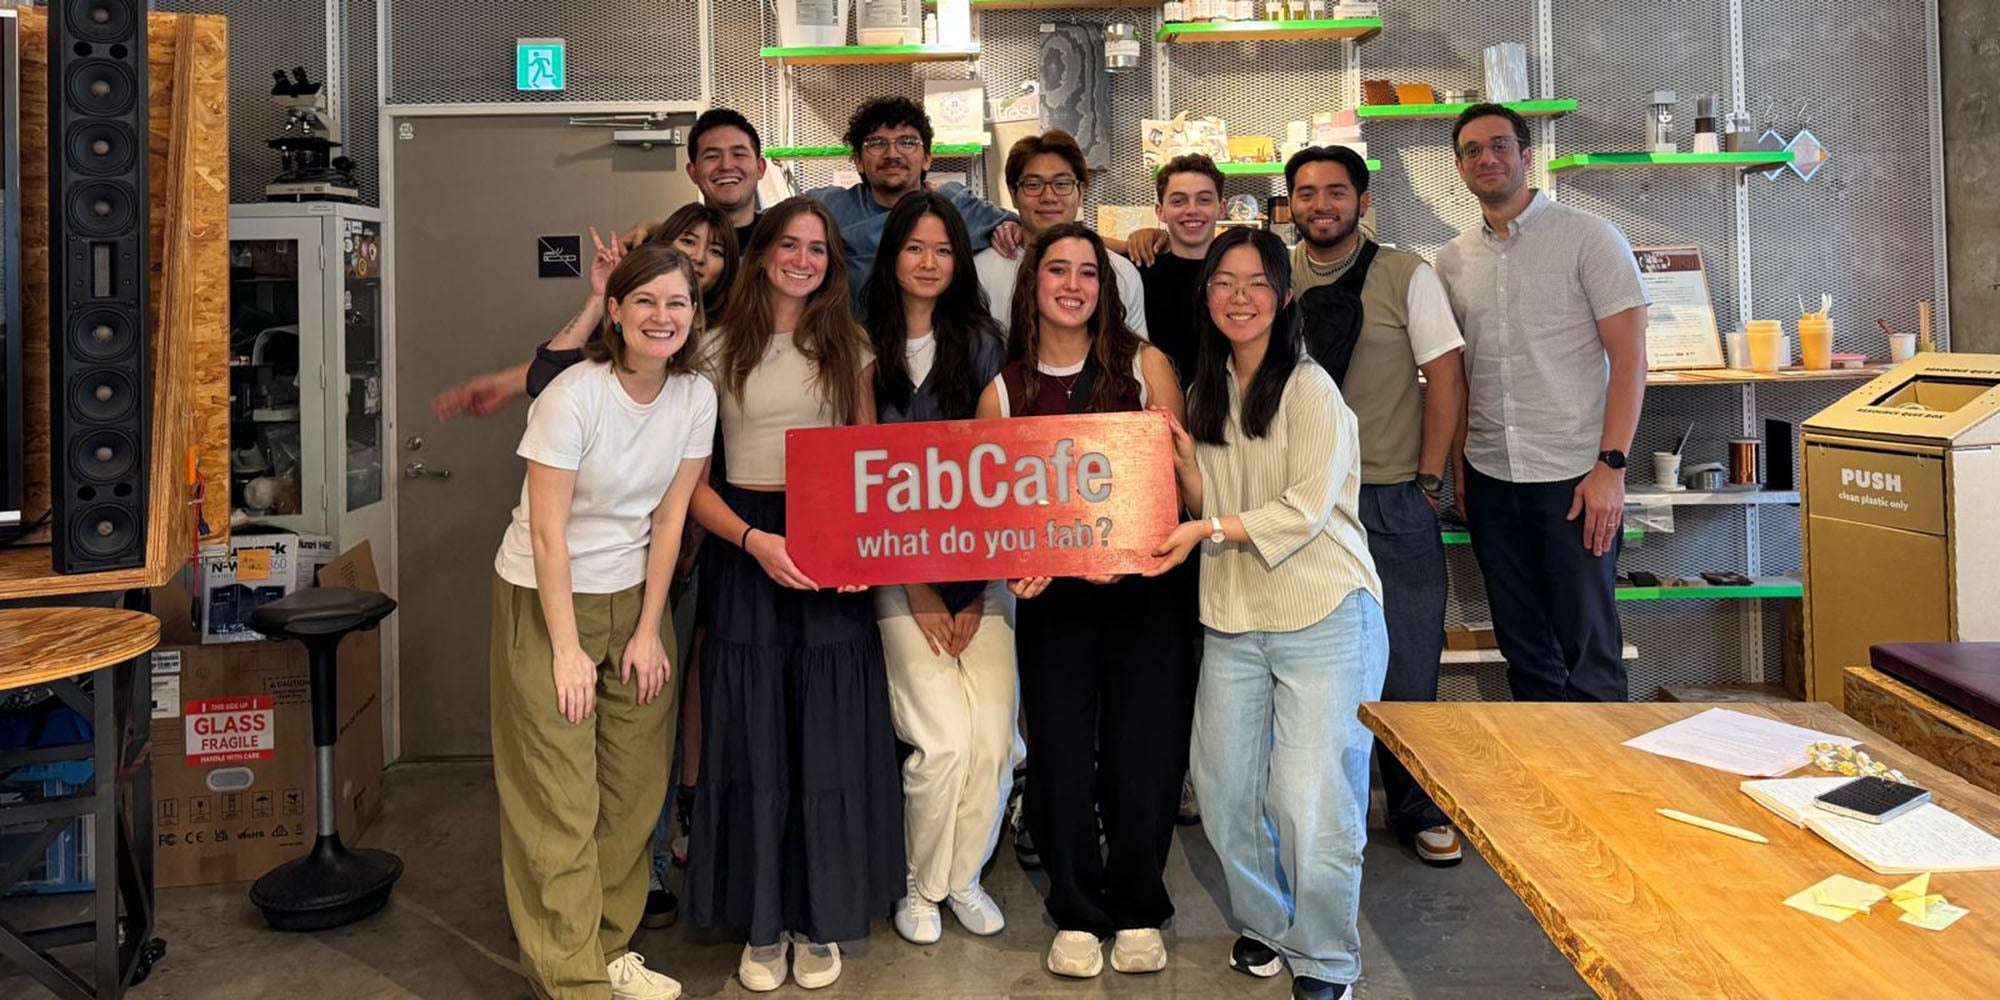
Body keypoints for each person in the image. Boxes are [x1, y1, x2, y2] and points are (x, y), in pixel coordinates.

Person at [1147, 227, 1387, 1000]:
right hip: (1235, 615)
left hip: (1325, 612)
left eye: (1257, 283)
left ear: (1284, 297)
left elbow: (1303, 510)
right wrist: (1188, 476)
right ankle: (1269, 921)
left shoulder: (1310, 387)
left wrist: (1205, 525)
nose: (1240, 297)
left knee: (1310, 797)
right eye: (1224, 282)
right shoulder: (1207, 386)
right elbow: (1215, 506)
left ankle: (1325, 959)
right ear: (1206, 294)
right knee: (1222, 790)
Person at [682, 197, 901, 993]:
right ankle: (763, 921)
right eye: (790, 245)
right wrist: (751, 540)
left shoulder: (850, 342)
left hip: (829, 542)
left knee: (827, 739)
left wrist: (854, 546)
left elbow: (869, 460)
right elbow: (693, 485)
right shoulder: (710, 347)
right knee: (753, 738)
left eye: (818, 249)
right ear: (763, 251)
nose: (803, 259)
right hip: (747, 544)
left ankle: (820, 916)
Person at [487, 244, 715, 1000]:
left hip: (635, 599)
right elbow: (549, 534)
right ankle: (571, 975)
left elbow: (672, 516)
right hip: (546, 600)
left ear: (693, 314)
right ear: (613, 311)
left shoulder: (694, 398)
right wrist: (565, 651)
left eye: (676, 303)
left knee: (633, 790)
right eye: (644, 301)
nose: (661, 316)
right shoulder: (573, 397)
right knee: (559, 798)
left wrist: (651, 629)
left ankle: (610, 945)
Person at [975, 222, 1191, 981]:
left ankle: (1137, 905)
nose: (1072, 285)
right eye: (1056, 271)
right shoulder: (1002, 390)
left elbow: (1176, 484)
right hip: (1054, 602)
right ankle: (1075, 907)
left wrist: (1126, 548)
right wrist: (1019, 562)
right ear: (1031, 284)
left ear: (1106, 289)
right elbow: (992, 514)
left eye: (1087, 273)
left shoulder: (1146, 365)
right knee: (1062, 758)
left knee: (1144, 756)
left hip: (1144, 594)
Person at [1283, 145, 1469, 867]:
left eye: (1335, 191)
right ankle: (1328, 812)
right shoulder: (1272, 274)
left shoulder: (1404, 274)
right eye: (1305, 193)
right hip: (1305, 502)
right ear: (1289, 204)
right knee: (1311, 666)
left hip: (1392, 496)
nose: (1319, 205)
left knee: (1409, 663)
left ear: (1363, 201)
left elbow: (1445, 378)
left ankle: (1417, 805)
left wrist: (1428, 480)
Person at [1437, 104, 1649, 703]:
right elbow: (1460, 377)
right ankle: (1542, 783)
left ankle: (1601, 788)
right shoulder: (1452, 261)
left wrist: (1612, 466)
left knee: (1589, 648)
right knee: (1523, 647)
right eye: (1472, 150)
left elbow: (1630, 357)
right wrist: (1460, 469)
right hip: (1490, 477)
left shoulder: (1590, 238)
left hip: (1575, 478)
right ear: (1460, 167)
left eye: (1499, 145)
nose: (1487, 158)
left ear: (1527, 157)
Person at [859, 191, 1016, 945]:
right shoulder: (859, 347)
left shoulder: (986, 346)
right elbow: (860, 485)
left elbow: (999, 482)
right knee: (942, 741)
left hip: (983, 579)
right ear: (891, 257)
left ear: (961, 262)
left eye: (944, 250)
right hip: (894, 577)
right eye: (914, 248)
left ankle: (964, 878)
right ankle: (920, 887)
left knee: (991, 741)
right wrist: (919, 588)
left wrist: (981, 591)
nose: (928, 263)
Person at [433, 203, 738, 418]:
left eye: (715, 251)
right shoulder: (628, 319)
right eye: (687, 241)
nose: (698, 257)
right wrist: (507, 383)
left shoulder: (730, 330)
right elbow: (567, 367)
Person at [1132, 152, 1224, 827]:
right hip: (1159, 465)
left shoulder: (1242, 266)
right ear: (1159, 209)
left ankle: (1216, 764)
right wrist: (1125, 239)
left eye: (1203, 198)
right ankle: (1180, 769)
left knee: (1222, 622)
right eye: (1178, 200)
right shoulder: (1144, 268)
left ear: (1222, 206)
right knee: (1173, 623)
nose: (1191, 210)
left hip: (1233, 456)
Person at [802, 96, 1022, 302]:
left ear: (927, 159)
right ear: (858, 160)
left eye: (907, 142)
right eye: (876, 144)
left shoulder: (955, 205)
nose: (892, 154)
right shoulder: (828, 207)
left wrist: (1010, 228)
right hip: (850, 338)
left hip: (939, 338)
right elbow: (770, 231)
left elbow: (1030, 228)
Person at [973, 130, 1148, 339]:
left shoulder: (1120, 273)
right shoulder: (979, 273)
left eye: (1062, 184)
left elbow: (1134, 360)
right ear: (1013, 194)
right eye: (1033, 185)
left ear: (1081, 192)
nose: (1048, 196)